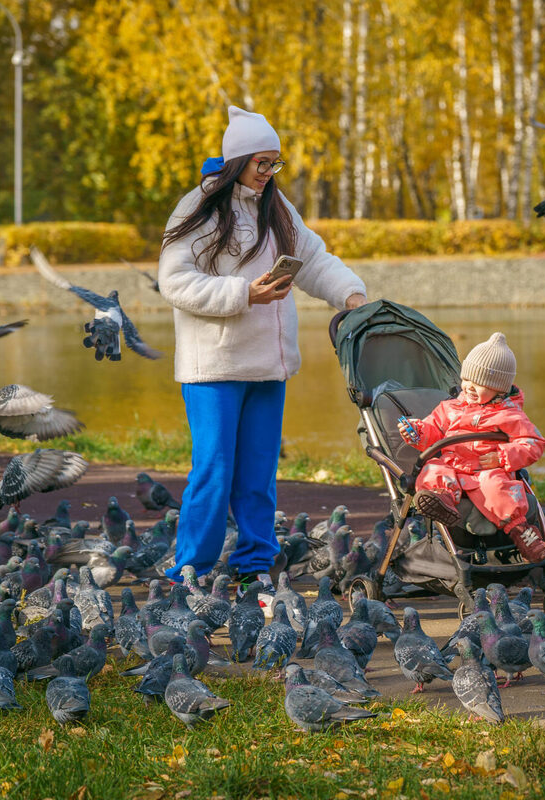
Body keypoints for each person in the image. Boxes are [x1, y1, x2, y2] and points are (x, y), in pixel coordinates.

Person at [158, 105, 368, 593]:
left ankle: (255, 562)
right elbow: (174, 282)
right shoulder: (199, 208)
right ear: (237, 161)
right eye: (262, 163)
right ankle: (191, 567)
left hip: (268, 366)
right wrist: (244, 293)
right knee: (213, 469)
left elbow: (314, 259)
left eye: (276, 163)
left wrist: (353, 296)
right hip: (214, 366)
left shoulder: (277, 207)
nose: (270, 173)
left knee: (258, 471)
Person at [396, 332, 545, 563]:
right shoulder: (449, 408)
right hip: (453, 467)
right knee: (432, 468)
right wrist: (417, 431)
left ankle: (523, 533)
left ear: (499, 389)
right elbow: (432, 431)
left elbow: (533, 443)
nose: (469, 387)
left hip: (485, 469)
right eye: (466, 380)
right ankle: (442, 501)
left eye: (479, 384)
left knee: (497, 487)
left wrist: (502, 456)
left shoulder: (509, 414)